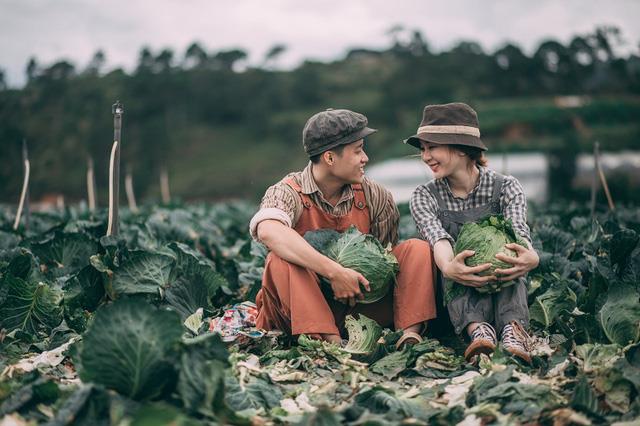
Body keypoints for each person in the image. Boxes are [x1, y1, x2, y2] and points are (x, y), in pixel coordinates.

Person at [251, 108, 436, 348]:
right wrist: (334, 273)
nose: (365, 158)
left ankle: (409, 334)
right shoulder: (286, 192)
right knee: (280, 260)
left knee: (416, 249)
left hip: (359, 309)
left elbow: (384, 258)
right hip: (299, 312)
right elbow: (268, 230)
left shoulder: (375, 195)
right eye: (358, 150)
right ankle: (330, 342)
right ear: (329, 158)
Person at [405, 103, 539, 363]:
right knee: (456, 265)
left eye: (431, 147)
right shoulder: (424, 196)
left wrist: (531, 257)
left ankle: (514, 329)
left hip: (505, 284)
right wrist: (449, 267)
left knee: (509, 260)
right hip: (454, 292)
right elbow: (438, 239)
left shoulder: (506, 187)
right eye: (422, 150)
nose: (425, 156)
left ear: (462, 147)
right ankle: (477, 330)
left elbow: (519, 234)